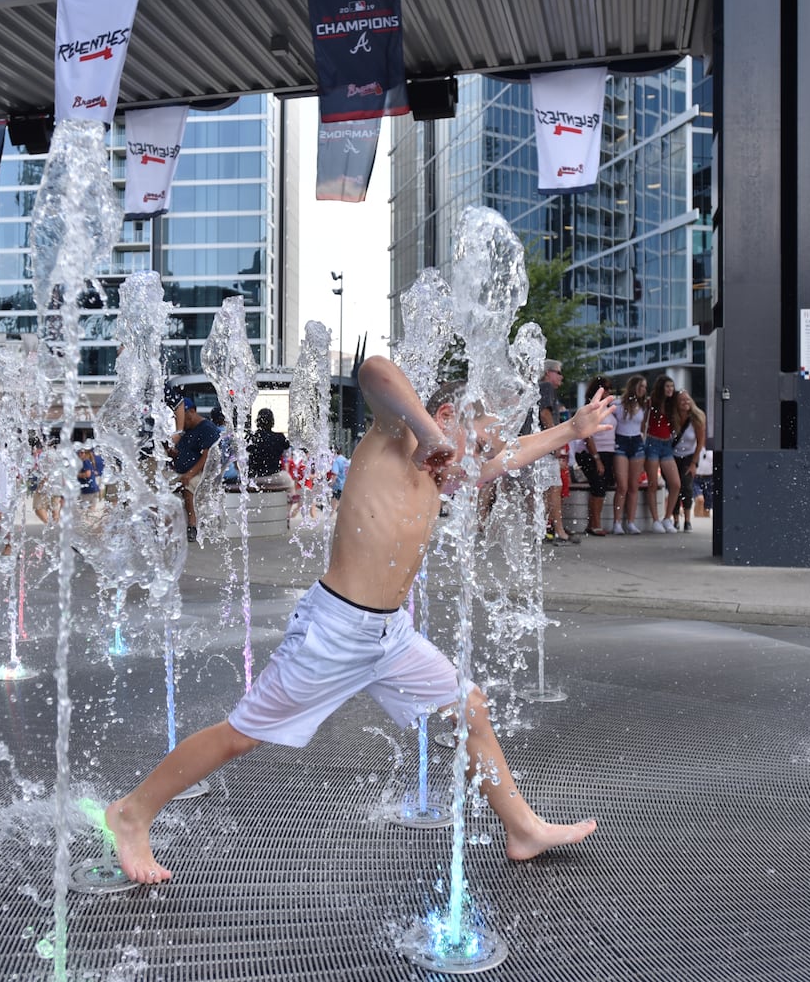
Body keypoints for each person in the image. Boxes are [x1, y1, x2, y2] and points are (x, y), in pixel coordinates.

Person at [105, 356, 616, 884]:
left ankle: (523, 828)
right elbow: (375, 371)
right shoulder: (392, 440)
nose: (478, 455)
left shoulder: (440, 474)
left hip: (391, 637)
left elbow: (510, 457)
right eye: (477, 439)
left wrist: (572, 430)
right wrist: (426, 431)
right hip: (334, 632)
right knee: (242, 735)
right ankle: (132, 811)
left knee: (470, 708)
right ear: (443, 415)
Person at [166, 396, 220, 541]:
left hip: (202, 472)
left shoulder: (207, 428)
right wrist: (173, 454)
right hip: (180, 471)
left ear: (191, 411)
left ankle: (192, 525)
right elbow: (181, 454)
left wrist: (190, 474)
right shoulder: (184, 431)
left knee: (188, 486)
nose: (181, 420)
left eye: (183, 416)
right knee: (158, 485)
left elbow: (207, 456)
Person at [535, 359, 569, 542]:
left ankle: (543, 528)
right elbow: (545, 414)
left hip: (539, 447)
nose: (561, 377)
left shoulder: (540, 388)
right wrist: (556, 442)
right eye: (558, 372)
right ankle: (558, 530)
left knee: (543, 490)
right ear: (548, 373)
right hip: (545, 448)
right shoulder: (546, 387)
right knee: (553, 488)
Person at [575, 374, 614, 538]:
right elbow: (588, 435)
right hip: (592, 453)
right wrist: (596, 458)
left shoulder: (609, 408)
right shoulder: (592, 407)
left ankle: (593, 523)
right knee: (598, 487)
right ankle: (595, 524)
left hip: (608, 451)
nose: (609, 391)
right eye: (606, 388)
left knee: (602, 487)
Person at [641, 375, 681, 533]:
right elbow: (643, 422)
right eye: (667, 386)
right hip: (652, 442)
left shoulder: (673, 403)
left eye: (672, 386)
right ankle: (656, 520)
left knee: (676, 484)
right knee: (653, 484)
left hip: (666, 445)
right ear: (661, 388)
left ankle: (667, 518)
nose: (670, 389)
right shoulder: (651, 403)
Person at [611, 374, 647, 534]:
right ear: (633, 387)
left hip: (637, 442)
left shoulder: (644, 405)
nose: (643, 390)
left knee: (634, 485)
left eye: (645, 387)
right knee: (622, 486)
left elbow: (644, 425)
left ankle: (631, 522)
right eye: (640, 387)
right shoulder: (618, 404)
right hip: (621, 441)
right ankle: (617, 522)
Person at [669, 390, 705, 531]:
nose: (685, 403)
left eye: (687, 400)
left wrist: (694, 463)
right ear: (677, 404)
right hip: (672, 455)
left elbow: (700, 442)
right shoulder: (672, 417)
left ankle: (688, 520)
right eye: (682, 400)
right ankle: (676, 518)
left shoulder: (697, 417)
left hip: (689, 455)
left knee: (687, 487)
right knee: (674, 486)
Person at [244, 407, 290, 488]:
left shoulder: (251, 437)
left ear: (258, 421)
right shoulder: (280, 437)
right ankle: (292, 500)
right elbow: (287, 456)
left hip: (253, 478)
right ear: (272, 421)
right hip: (274, 477)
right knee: (291, 483)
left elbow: (245, 457)